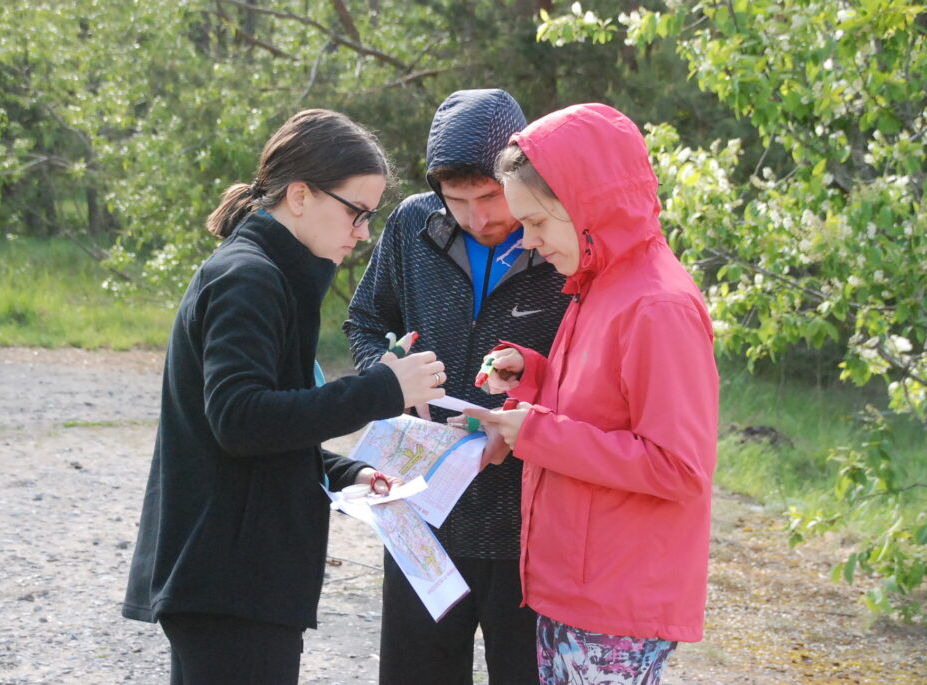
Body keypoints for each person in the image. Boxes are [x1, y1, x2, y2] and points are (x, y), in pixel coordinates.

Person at [121, 109, 447, 685]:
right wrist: (383, 388)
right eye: (357, 212)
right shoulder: (250, 277)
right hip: (228, 581)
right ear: (299, 195)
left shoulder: (274, 275)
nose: (363, 232)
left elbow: (260, 431)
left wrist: (347, 474)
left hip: (241, 579)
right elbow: (239, 420)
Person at [458, 103, 719, 685]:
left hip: (616, 599)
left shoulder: (657, 306)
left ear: (589, 203)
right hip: (581, 589)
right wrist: (528, 373)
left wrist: (536, 434)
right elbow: (604, 404)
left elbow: (678, 466)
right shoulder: (602, 281)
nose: (526, 242)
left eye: (538, 223)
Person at [345, 89, 568, 684]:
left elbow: (589, 372)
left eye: (492, 197)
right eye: (459, 201)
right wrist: (391, 379)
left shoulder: (560, 240)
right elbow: (366, 320)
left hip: (527, 526)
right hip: (421, 512)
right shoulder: (412, 224)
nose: (479, 218)